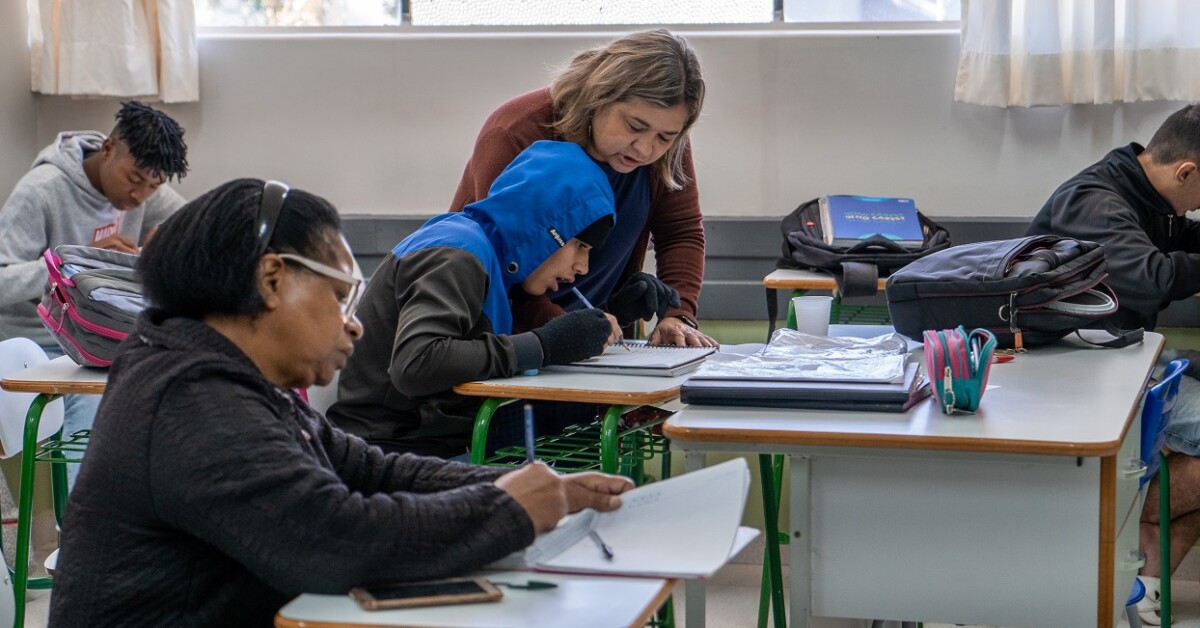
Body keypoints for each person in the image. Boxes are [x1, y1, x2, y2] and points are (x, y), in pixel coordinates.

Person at [48, 178, 633, 626]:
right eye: (339, 296)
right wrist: (506, 509)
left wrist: (530, 488)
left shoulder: (229, 375)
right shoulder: (193, 400)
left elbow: (371, 470)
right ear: (271, 280)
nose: (353, 325)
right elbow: (333, 542)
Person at [329, 140, 661, 458]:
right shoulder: (457, 254)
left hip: (433, 437)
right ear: (548, 228)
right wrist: (543, 346)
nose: (582, 267)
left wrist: (613, 315)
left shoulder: (489, 257)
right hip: (390, 448)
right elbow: (417, 363)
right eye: (581, 246)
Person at [1026, 103, 1200, 625]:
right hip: (1082, 374)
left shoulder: (1149, 197)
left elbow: (1185, 243)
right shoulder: (1094, 201)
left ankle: (1142, 581)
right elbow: (1150, 278)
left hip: (1127, 359)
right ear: (1186, 172)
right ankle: (1114, 510)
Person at [0, 100, 188, 571]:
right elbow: (2, 279)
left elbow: (193, 220)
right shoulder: (42, 190)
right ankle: (89, 543)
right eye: (134, 179)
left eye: (153, 186)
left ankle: (137, 533)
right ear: (108, 148)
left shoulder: (142, 190)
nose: (140, 197)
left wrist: (170, 242)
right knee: (93, 412)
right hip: (43, 338)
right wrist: (75, 262)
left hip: (104, 338)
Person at [450, 29, 718, 348]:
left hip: (597, 336)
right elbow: (499, 260)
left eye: (665, 137)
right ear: (598, 96)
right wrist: (564, 330)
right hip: (508, 338)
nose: (646, 149)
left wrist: (678, 314)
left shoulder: (667, 146)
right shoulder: (514, 131)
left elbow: (680, 232)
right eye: (635, 126)